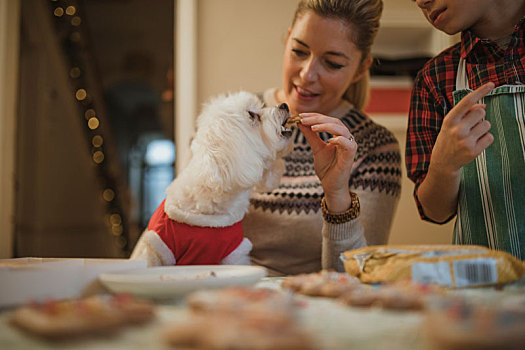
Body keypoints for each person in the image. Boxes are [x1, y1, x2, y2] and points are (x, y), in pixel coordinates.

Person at [243, 0, 402, 276]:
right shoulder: (239, 117)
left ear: (362, 68)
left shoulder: (375, 146)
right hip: (223, 297)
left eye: (332, 63)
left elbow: (358, 274)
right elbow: (183, 217)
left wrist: (337, 194)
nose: (307, 74)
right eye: (299, 51)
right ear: (288, 38)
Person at [406, 0, 525, 260]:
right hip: (489, 288)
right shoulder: (435, 79)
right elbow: (435, 211)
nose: (420, 1)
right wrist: (443, 167)